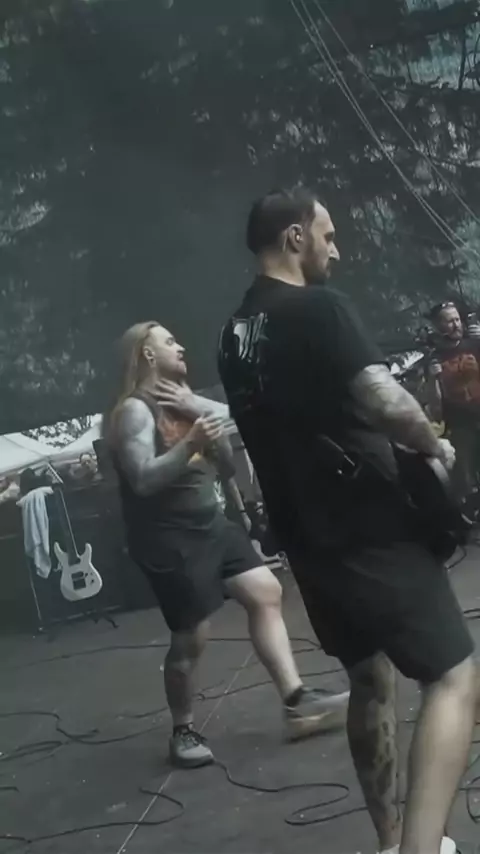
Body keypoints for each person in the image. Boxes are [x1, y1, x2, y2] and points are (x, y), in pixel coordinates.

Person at [218, 187, 477, 854]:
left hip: (308, 545)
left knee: (370, 677)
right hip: (369, 528)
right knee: (454, 676)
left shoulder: (235, 335)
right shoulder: (318, 307)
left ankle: (390, 842)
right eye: (328, 235)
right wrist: (434, 445)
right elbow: (384, 400)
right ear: (295, 237)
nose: (337, 250)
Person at [104, 321, 348, 769]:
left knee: (266, 591)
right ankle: (182, 731)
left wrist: (214, 443)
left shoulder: (186, 402)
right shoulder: (135, 411)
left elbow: (227, 468)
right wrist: (191, 443)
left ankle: (296, 702)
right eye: (169, 341)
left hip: (211, 525)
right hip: (169, 538)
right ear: (147, 354)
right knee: (192, 638)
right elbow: (142, 480)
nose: (181, 346)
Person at [426, 301, 480, 501]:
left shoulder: (475, 343)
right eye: (450, 321)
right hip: (460, 426)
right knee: (466, 483)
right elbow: (435, 407)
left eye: (457, 319)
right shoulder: (434, 359)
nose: (457, 325)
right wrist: (432, 379)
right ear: (438, 326)